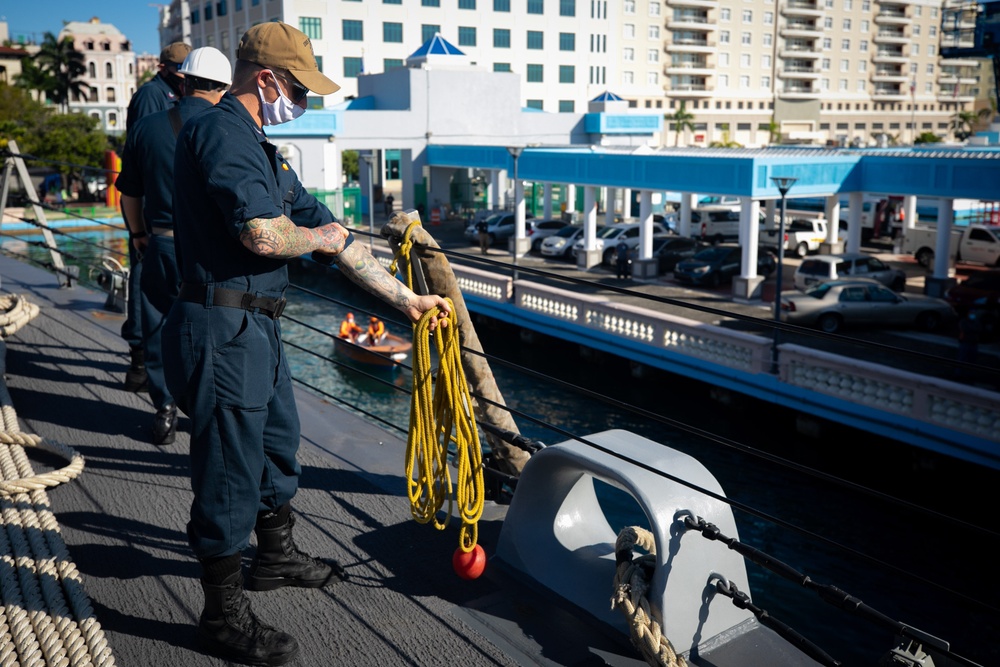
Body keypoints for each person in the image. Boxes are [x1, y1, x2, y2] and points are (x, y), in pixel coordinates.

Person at [162, 22, 451, 666]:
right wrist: (317, 241)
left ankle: (275, 554)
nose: (306, 102)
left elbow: (338, 235)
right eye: (299, 88)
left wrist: (408, 301)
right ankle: (222, 614)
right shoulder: (221, 133)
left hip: (257, 326)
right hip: (222, 327)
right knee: (229, 469)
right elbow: (264, 236)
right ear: (267, 79)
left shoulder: (260, 147)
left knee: (275, 444)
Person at [116, 47, 232, 446]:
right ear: (224, 87)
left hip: (161, 244)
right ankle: (211, 415)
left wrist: (137, 235)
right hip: (213, 253)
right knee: (215, 334)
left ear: (182, 81)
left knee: (159, 327)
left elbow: (129, 194)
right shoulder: (230, 127)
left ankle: (165, 408)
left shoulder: (146, 128)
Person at [120, 41, 193, 394]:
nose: (184, 77)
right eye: (179, 69)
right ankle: (141, 362)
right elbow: (142, 154)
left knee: (156, 295)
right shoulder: (153, 97)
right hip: (154, 212)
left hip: (157, 209)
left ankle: (154, 374)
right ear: (165, 67)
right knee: (146, 288)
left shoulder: (169, 94)